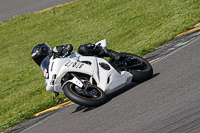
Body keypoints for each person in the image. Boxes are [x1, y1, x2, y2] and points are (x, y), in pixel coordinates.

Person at [31, 42, 121, 97]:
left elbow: (68, 46)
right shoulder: (46, 67)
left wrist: (66, 50)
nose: (40, 60)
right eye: (38, 59)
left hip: (78, 60)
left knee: (83, 48)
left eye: (41, 57)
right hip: (68, 72)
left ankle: (110, 53)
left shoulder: (55, 50)